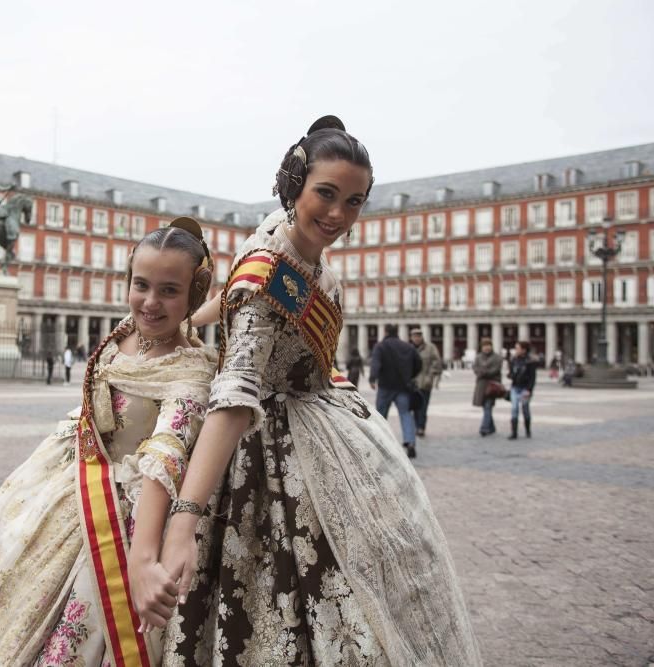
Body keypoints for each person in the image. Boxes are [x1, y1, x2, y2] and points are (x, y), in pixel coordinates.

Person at [139, 116, 481, 665]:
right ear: (294, 183)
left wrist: (195, 320)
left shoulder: (281, 234)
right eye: (326, 194)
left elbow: (231, 288)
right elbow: (233, 398)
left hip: (326, 417)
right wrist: (186, 518)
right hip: (270, 443)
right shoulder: (269, 274)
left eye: (354, 201)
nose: (338, 214)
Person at [0, 218, 216, 666]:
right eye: (141, 285)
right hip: (67, 483)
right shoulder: (126, 331)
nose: (150, 302)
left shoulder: (190, 372)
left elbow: (164, 454)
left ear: (195, 293)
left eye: (169, 290)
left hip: (128, 513)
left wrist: (144, 558)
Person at [369, 324, 422, 457]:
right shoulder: (408, 347)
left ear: (386, 331)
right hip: (403, 387)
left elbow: (376, 363)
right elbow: (419, 363)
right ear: (397, 332)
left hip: (385, 387)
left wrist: (372, 378)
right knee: (405, 414)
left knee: (381, 416)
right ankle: (410, 442)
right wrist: (410, 375)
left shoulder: (380, 346)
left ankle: (380, 443)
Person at [410, 327, 442, 438]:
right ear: (411, 338)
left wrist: (431, 375)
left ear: (422, 337)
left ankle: (421, 427)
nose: (417, 338)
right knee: (414, 407)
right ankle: (416, 426)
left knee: (423, 407)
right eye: (414, 336)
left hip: (425, 382)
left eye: (419, 336)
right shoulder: (409, 348)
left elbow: (437, 362)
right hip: (412, 383)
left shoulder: (430, 348)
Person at [507, 340, 538, 439]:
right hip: (515, 387)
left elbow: (533, 378)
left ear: (524, 350)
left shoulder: (530, 362)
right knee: (514, 408)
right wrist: (511, 375)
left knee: (525, 409)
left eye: (517, 348)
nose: (516, 350)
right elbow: (511, 373)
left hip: (525, 388)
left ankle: (528, 430)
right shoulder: (513, 360)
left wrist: (529, 390)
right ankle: (514, 433)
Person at [473, 337, 503, 436]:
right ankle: (492, 427)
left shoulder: (497, 358)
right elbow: (475, 368)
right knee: (485, 407)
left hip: (492, 386)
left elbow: (494, 370)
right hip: (481, 386)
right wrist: (481, 372)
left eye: (488, 345)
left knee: (488, 406)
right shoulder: (478, 357)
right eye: (484, 346)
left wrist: (483, 372)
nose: (486, 348)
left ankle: (484, 428)